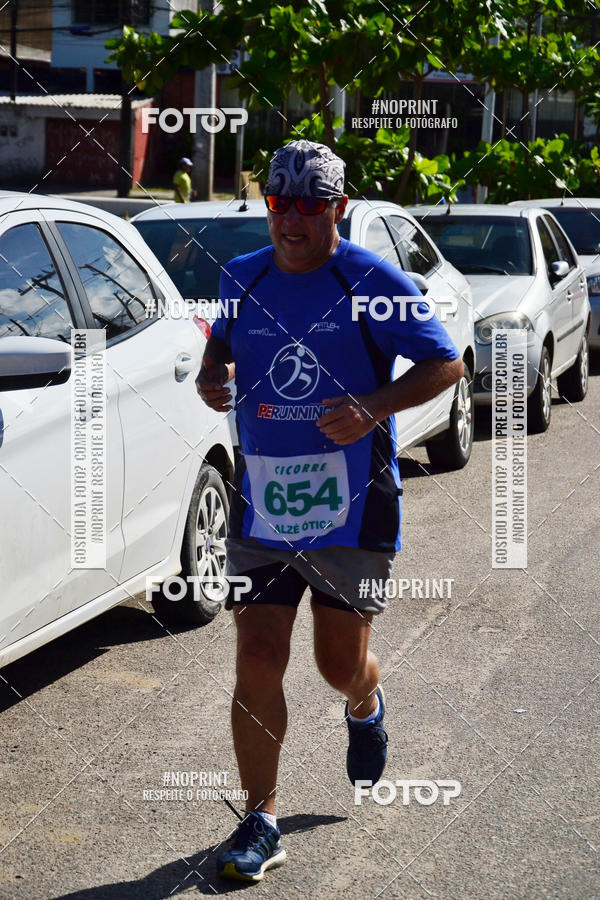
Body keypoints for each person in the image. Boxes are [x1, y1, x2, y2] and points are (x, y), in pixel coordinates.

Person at [195, 139, 463, 883]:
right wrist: (212, 376)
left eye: (312, 203)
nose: (294, 218)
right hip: (264, 506)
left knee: (336, 664)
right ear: (268, 207)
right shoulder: (241, 277)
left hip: (352, 506)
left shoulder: (372, 280)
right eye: (281, 202)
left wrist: (375, 406)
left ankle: (366, 701)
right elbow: (218, 350)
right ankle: (260, 821)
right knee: (256, 654)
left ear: (339, 207)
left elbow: (448, 363)